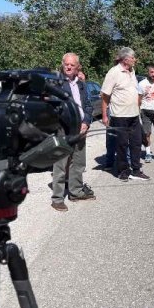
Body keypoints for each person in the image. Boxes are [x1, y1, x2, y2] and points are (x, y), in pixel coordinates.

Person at [51, 53, 95, 212]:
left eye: (72, 65)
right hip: (64, 129)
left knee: (78, 162)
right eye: (66, 64)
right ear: (63, 65)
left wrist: (86, 122)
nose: (68, 67)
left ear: (78, 67)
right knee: (61, 163)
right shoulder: (56, 83)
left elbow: (88, 105)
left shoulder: (82, 84)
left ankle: (75, 192)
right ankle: (57, 198)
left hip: (81, 128)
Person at [101, 47, 150, 182]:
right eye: (133, 57)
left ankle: (136, 170)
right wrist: (105, 115)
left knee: (136, 143)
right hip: (119, 116)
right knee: (121, 145)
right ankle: (123, 171)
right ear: (126, 59)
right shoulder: (114, 72)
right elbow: (105, 95)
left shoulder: (132, 71)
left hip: (134, 115)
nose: (135, 60)